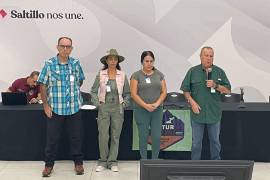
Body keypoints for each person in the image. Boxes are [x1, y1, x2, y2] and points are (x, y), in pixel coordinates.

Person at [38, 37, 85, 177]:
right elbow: (42, 84)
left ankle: (78, 163)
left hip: (74, 108)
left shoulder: (76, 63)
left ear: (71, 48)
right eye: (63, 46)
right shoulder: (49, 64)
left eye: (68, 46)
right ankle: (48, 165)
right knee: (52, 139)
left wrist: (74, 94)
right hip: (55, 108)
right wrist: (46, 105)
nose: (65, 49)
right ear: (57, 47)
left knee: (76, 138)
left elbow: (80, 80)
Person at [180, 46, 231, 160]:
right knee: (196, 143)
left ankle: (216, 165)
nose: (209, 58)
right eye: (206, 55)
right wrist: (192, 102)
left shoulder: (219, 72)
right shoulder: (193, 71)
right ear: (200, 57)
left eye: (211, 56)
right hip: (197, 113)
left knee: (215, 142)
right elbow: (185, 90)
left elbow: (228, 90)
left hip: (214, 113)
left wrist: (216, 85)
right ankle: (195, 166)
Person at [91, 49, 130, 172]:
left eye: (115, 59)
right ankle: (102, 161)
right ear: (106, 61)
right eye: (110, 59)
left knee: (115, 136)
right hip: (104, 108)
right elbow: (93, 91)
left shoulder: (122, 75)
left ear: (118, 61)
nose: (113, 61)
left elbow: (128, 93)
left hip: (117, 108)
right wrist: (98, 105)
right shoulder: (101, 74)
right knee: (103, 135)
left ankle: (112, 161)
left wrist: (124, 104)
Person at [130, 51, 167, 159]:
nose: (149, 63)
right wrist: (145, 105)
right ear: (142, 62)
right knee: (143, 136)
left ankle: (154, 160)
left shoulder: (160, 75)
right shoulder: (136, 75)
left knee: (156, 136)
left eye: (151, 61)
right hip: (141, 110)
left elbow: (164, 92)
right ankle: (144, 160)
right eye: (147, 61)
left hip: (157, 110)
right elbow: (133, 93)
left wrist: (156, 104)